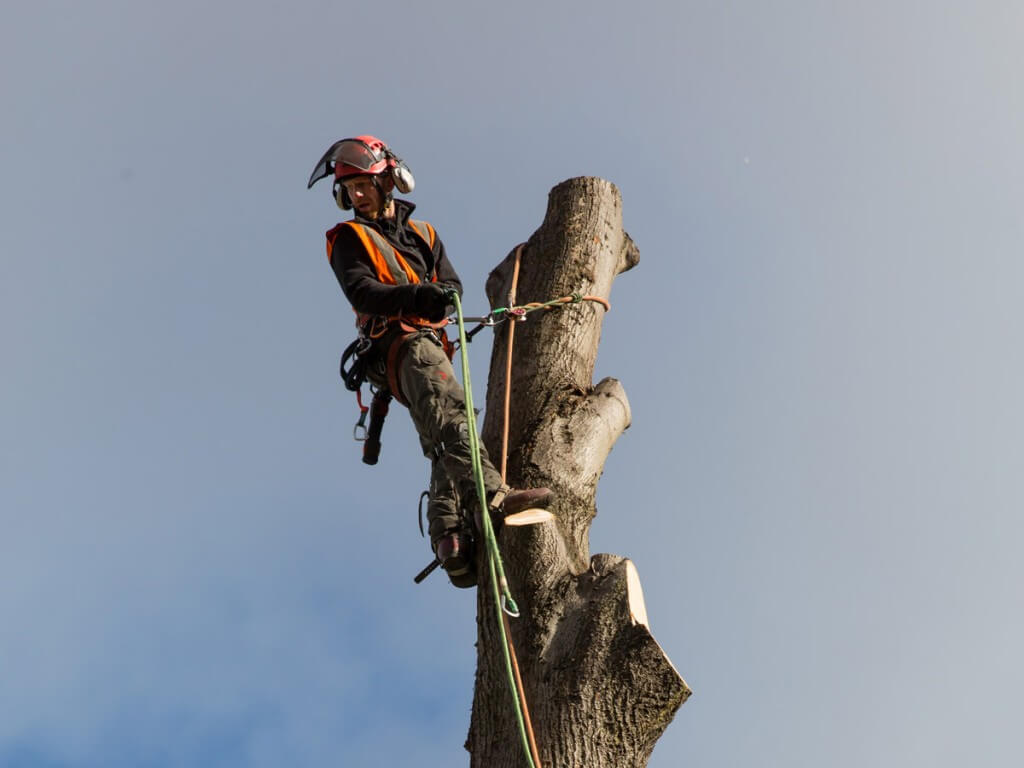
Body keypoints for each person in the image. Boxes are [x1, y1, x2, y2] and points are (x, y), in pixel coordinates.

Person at [307, 135, 551, 587]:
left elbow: (452, 283)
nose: (357, 195)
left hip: (430, 344)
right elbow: (362, 292)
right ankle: (493, 498)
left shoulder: (425, 234)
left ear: (388, 182)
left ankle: (451, 538)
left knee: (445, 424)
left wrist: (443, 295)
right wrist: (418, 295)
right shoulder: (348, 238)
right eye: (350, 188)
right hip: (396, 345)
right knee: (451, 416)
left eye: (364, 184)